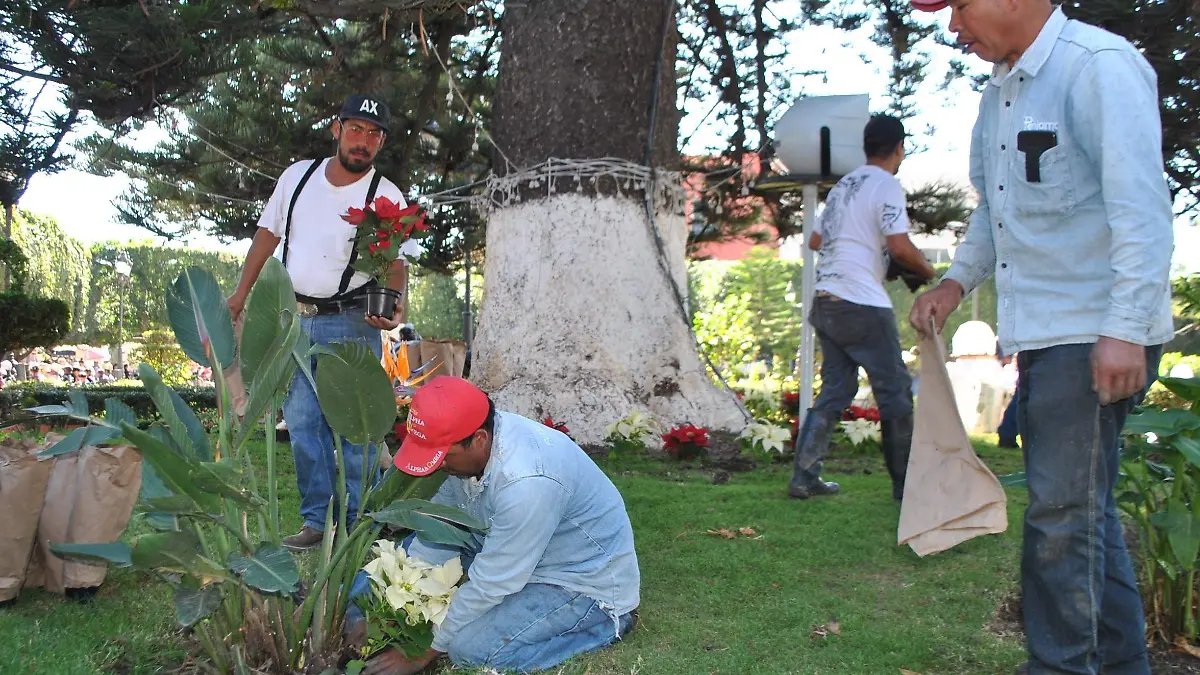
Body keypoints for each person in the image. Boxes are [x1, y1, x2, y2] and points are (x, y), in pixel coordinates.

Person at [908, 1, 1174, 673]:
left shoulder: (1098, 69)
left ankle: (1057, 666)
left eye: (962, 5)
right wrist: (954, 282)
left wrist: (1122, 330)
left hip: (1094, 331)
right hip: (1051, 335)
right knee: (1085, 511)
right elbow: (994, 211)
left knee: (1060, 515)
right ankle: (1122, 664)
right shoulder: (1000, 94)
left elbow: (1141, 208)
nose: (953, 27)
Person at [347, 376, 640, 674]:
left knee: (470, 649)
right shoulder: (466, 444)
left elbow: (494, 580)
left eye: (443, 457)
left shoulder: (526, 482)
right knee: (383, 570)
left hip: (577, 580)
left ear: (479, 439)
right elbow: (435, 532)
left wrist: (423, 650)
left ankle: (606, 625)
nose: (437, 467)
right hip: (499, 544)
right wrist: (381, 610)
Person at [227, 94, 415, 552]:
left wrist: (394, 306)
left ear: (382, 142)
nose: (363, 141)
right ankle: (317, 521)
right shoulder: (298, 177)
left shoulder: (386, 195)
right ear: (337, 129)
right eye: (356, 129)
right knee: (304, 424)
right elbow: (268, 234)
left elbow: (395, 263)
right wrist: (240, 294)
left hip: (351, 322)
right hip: (292, 319)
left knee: (358, 426)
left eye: (374, 134)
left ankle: (363, 519)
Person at [788, 114, 936, 501]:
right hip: (861, 302)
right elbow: (900, 245)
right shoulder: (886, 185)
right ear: (899, 149)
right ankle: (907, 486)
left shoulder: (843, 186)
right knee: (895, 392)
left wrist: (868, 252)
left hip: (827, 299)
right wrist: (927, 270)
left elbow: (817, 240)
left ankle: (804, 478)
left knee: (836, 389)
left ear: (866, 147)